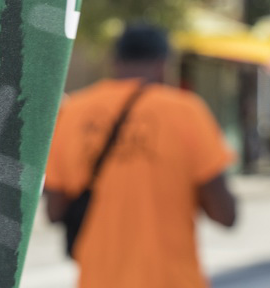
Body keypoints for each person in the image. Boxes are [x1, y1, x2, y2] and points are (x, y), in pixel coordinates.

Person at [44, 23, 236, 288]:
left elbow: (54, 212)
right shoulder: (187, 111)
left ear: (115, 62)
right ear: (163, 64)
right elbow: (225, 215)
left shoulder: (74, 111)